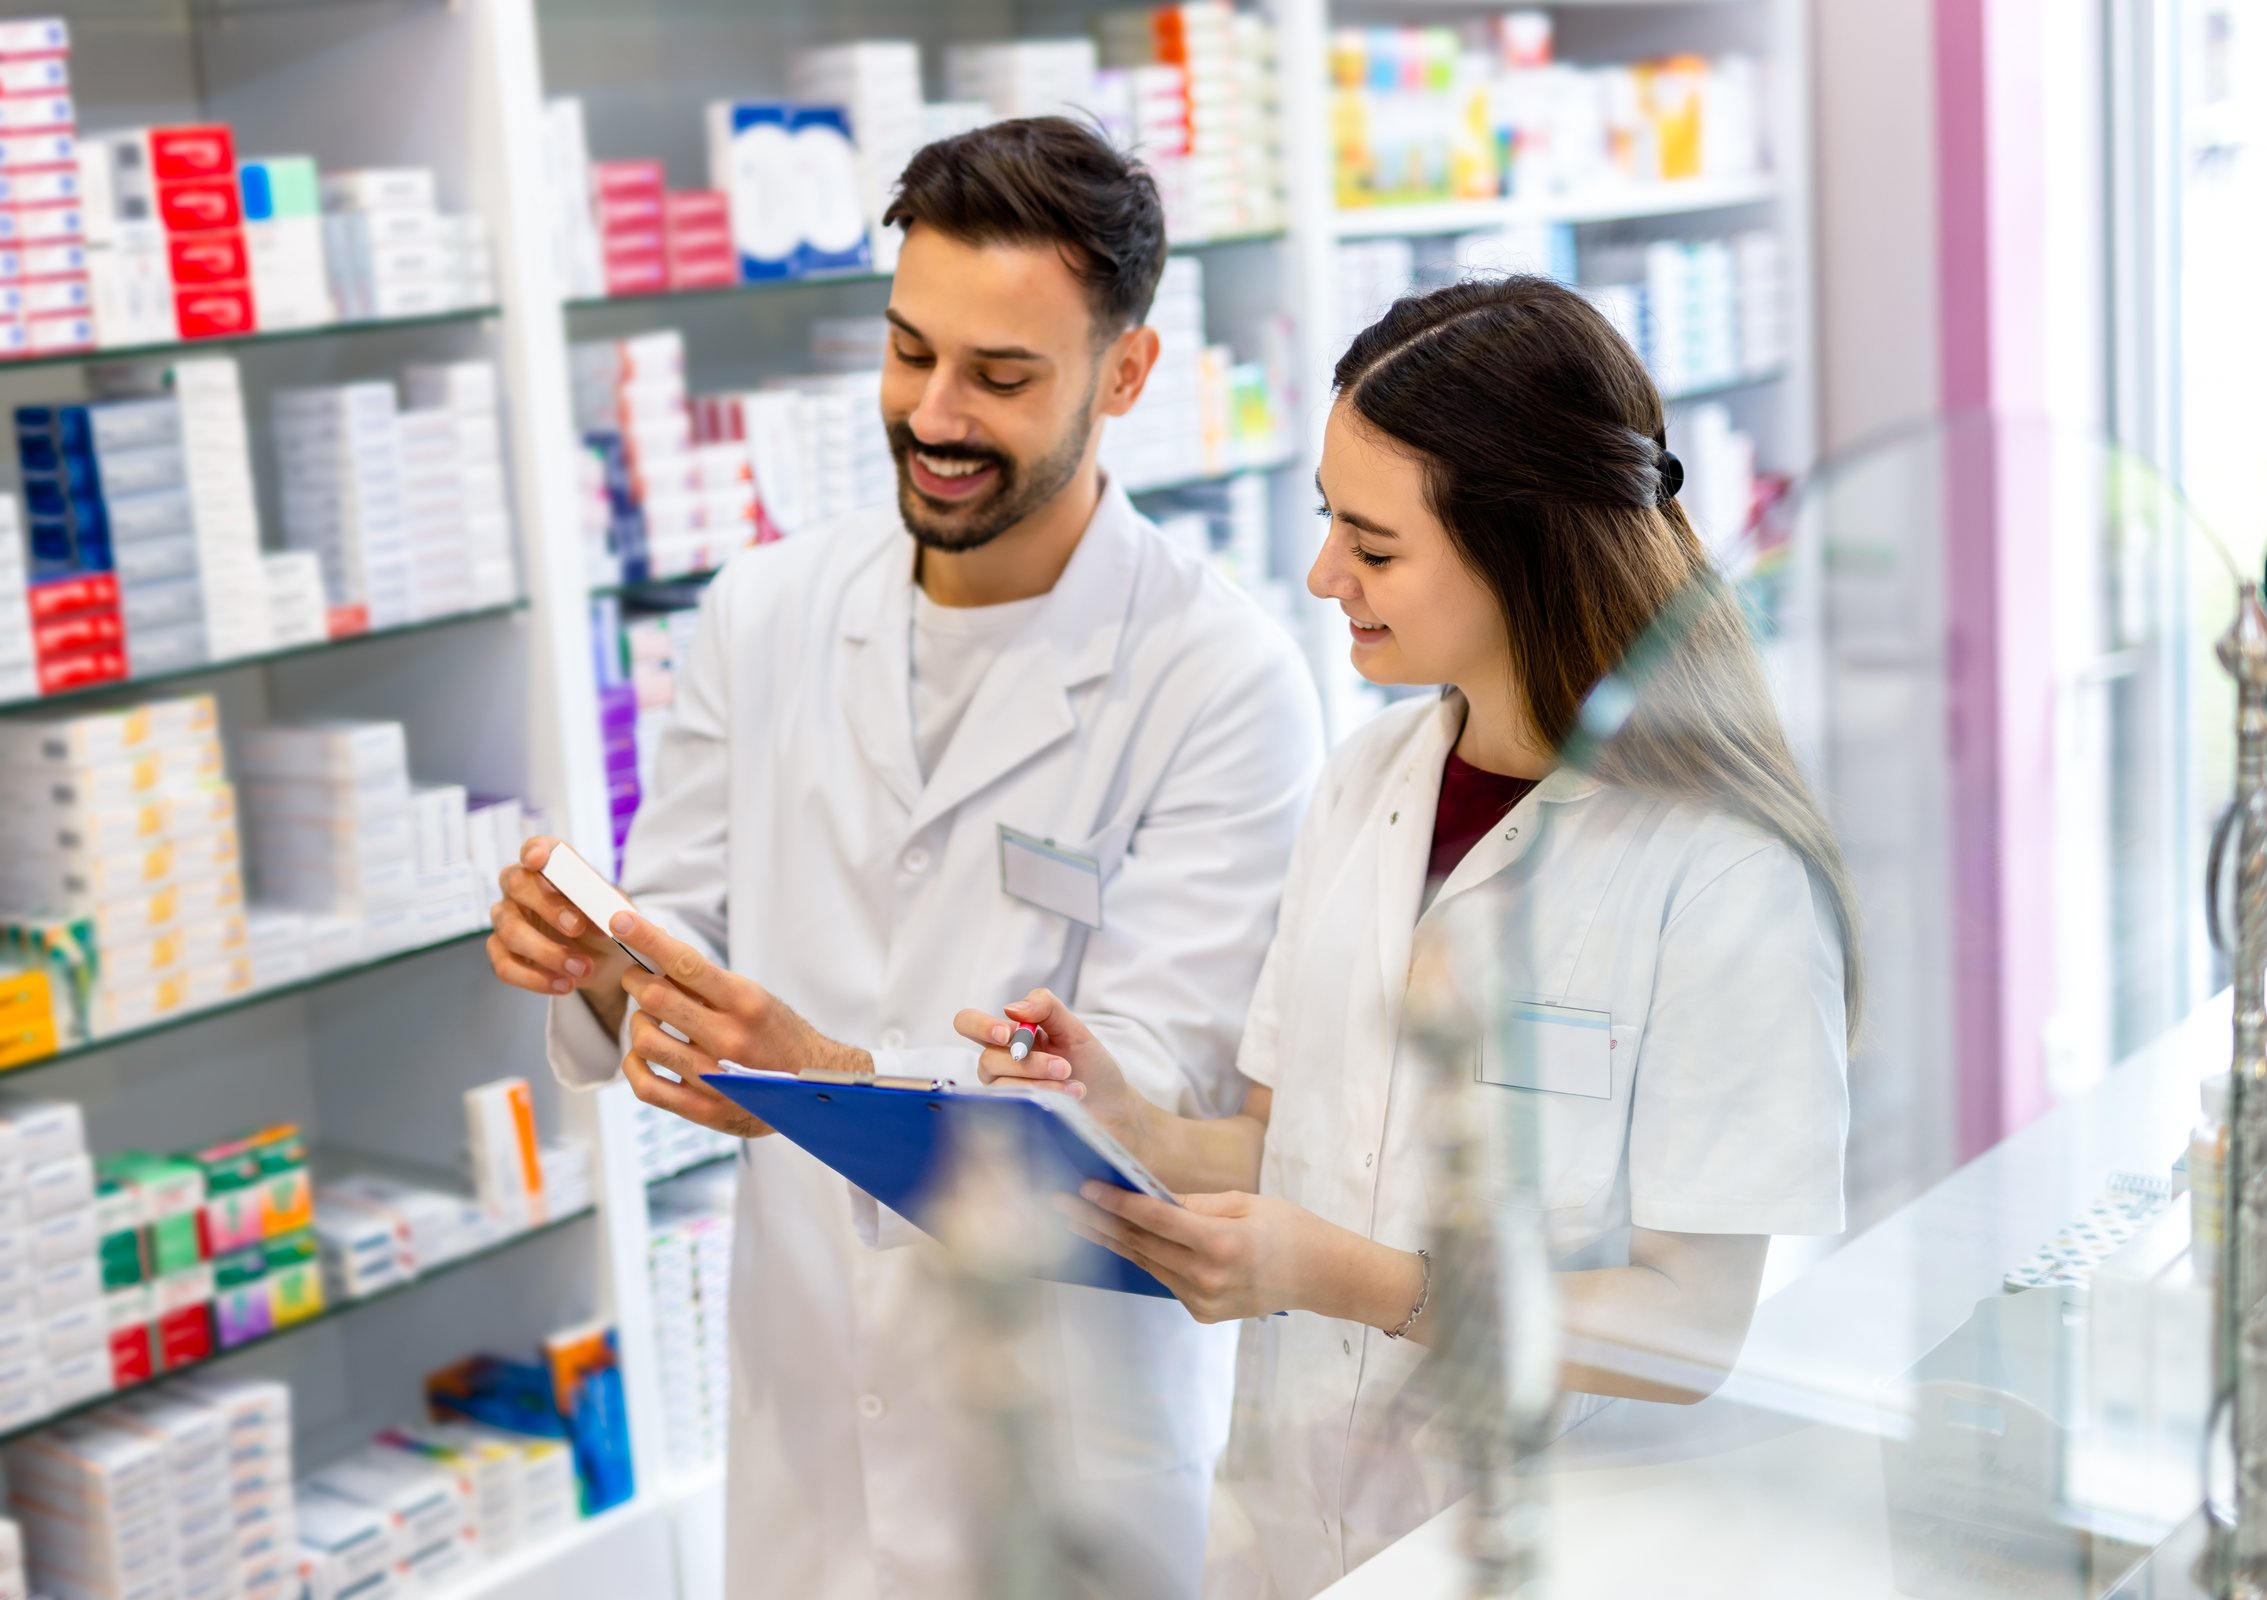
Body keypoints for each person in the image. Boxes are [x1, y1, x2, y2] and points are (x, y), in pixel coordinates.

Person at [481, 118, 1321, 1598]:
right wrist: (603, 963)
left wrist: (825, 1080)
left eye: (1001, 378)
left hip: (1064, 1447)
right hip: (808, 1419)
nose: (933, 414)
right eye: (907, 351)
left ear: (1125, 375)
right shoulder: (766, 609)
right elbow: (671, 930)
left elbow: (1151, 1107)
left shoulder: (1221, 677)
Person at [954, 275, 1860, 1596]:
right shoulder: (1365, 780)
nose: (1326, 575)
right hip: (1292, 1533)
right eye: (1331, 522)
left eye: (1373, 548)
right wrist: (1122, 1115)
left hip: (1556, 1545)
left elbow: (1691, 1323)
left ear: (1522, 549)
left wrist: (1352, 1279)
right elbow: (1279, 1145)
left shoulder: (1723, 870)